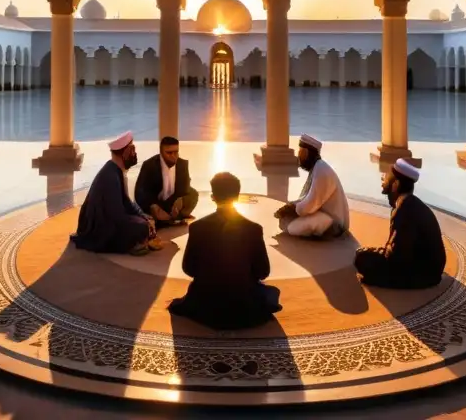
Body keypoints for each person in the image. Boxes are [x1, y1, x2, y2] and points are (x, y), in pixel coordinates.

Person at [168, 172, 282, 330]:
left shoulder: (197, 227)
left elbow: (189, 268)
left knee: (189, 297)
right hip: (243, 304)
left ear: (213, 196)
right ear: (237, 196)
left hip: (206, 303)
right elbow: (263, 271)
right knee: (270, 292)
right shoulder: (254, 229)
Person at [354, 158, 446, 289]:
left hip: (425, 275)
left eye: (386, 179)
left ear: (396, 184)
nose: (383, 182)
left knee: (361, 258)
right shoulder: (410, 202)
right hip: (432, 270)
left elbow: (396, 257)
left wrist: (372, 252)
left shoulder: (404, 209)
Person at [71, 131, 161, 256]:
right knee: (142, 227)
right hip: (100, 225)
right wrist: (143, 224)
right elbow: (116, 216)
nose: (135, 154)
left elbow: (127, 202)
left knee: (146, 220)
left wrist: (144, 216)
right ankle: (135, 242)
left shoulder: (116, 170)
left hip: (110, 217)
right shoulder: (111, 177)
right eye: (132, 150)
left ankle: (139, 240)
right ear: (126, 152)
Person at [273, 134, 350, 239]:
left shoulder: (321, 170)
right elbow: (306, 199)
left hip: (334, 223)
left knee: (292, 228)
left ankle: (320, 233)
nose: (299, 156)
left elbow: (310, 206)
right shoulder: (317, 167)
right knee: (286, 221)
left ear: (306, 152)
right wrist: (291, 206)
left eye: (300, 152)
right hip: (322, 214)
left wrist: (291, 208)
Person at [134, 136, 199, 228]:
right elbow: (140, 192)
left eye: (176, 152)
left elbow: (185, 189)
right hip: (157, 203)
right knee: (146, 210)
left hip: (173, 203)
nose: (173, 156)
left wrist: (180, 201)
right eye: (169, 153)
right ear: (161, 152)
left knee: (193, 193)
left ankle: (174, 218)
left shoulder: (182, 164)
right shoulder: (149, 165)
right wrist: (152, 206)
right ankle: (168, 219)